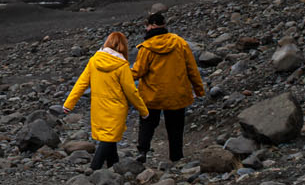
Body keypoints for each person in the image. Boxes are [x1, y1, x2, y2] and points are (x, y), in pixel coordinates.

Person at [63, 31, 147, 169]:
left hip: (98, 107)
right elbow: (131, 91)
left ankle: (113, 166)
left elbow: (81, 83)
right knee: (109, 139)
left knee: (109, 138)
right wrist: (143, 110)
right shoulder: (122, 65)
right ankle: (94, 167)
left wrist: (68, 104)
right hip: (116, 108)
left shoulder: (94, 61)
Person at [131, 18, 205, 164]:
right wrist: (199, 89)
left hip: (153, 94)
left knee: (147, 123)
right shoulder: (179, 43)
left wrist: (118, 75)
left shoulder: (146, 47)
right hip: (177, 93)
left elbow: (138, 72)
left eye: (146, 26)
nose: (145, 29)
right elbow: (192, 68)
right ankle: (176, 157)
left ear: (151, 26)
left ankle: (143, 151)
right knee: (176, 126)